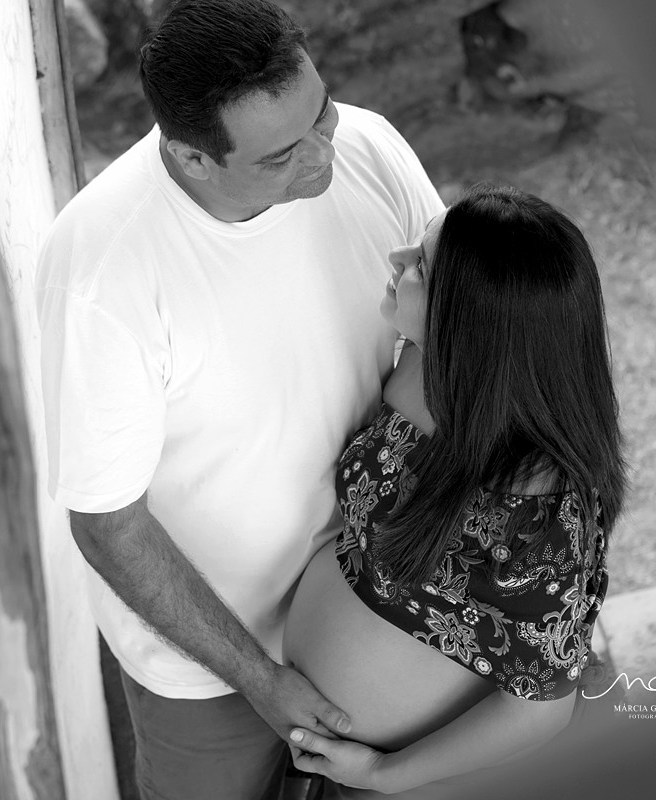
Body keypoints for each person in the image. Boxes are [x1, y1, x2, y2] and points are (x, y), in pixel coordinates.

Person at [33, 0, 443, 796]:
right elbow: (109, 525)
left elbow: (462, 330)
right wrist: (260, 679)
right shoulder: (103, 271)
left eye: (322, 114)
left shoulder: (366, 146)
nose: (324, 155)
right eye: (282, 155)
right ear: (192, 158)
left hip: (385, 616)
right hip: (213, 672)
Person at [282, 184, 628, 798]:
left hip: (425, 780)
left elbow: (539, 710)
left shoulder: (542, 518)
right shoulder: (426, 365)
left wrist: (383, 774)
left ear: (470, 319)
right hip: (332, 752)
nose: (396, 259)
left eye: (419, 265)